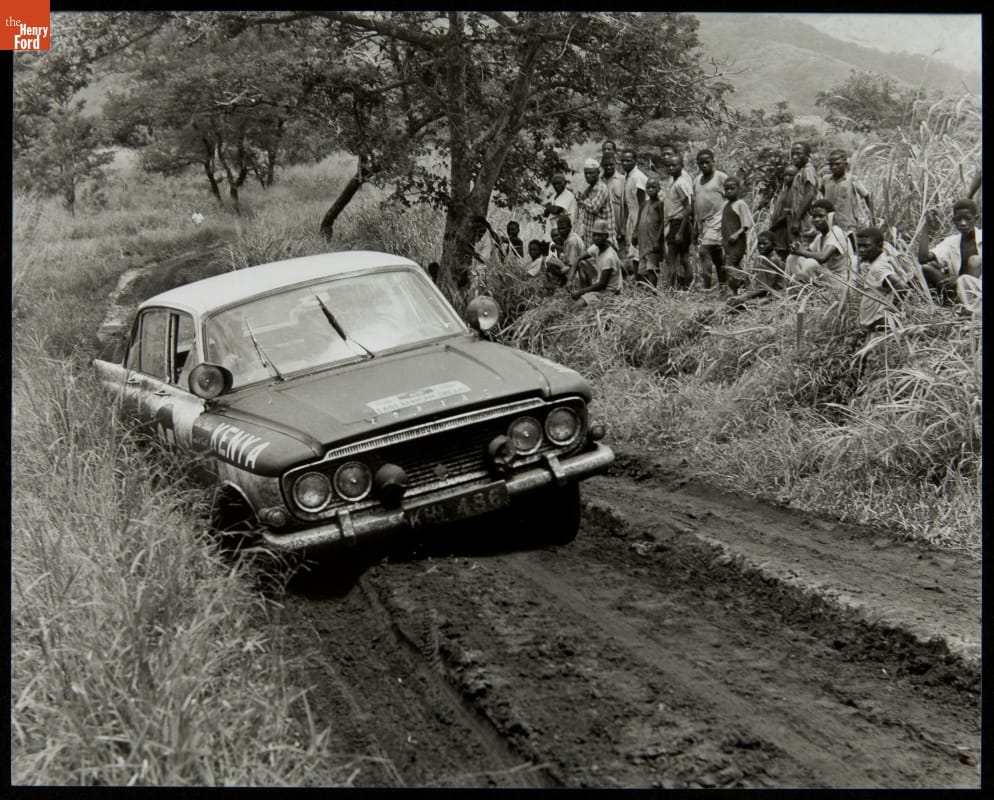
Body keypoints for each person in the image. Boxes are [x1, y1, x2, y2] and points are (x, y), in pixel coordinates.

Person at [918, 198, 982, 303]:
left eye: (967, 219)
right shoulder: (951, 242)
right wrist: (926, 227)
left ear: (976, 219)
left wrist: (959, 278)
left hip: (978, 289)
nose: (963, 223)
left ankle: (970, 302)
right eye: (959, 219)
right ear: (954, 221)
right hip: (957, 290)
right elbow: (923, 258)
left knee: (975, 260)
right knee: (926, 268)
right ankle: (954, 299)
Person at [786, 199, 852, 285]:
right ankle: (793, 286)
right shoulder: (819, 237)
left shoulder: (837, 232)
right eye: (814, 216)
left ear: (830, 216)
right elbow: (807, 252)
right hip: (826, 277)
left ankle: (812, 290)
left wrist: (801, 251)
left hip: (840, 281)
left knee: (810, 263)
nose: (816, 220)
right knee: (792, 258)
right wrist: (796, 249)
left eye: (821, 216)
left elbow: (822, 257)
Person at [856, 226, 904, 334]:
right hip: (874, 323)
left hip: (878, 323)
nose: (861, 250)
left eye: (866, 246)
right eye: (859, 246)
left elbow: (902, 287)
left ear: (880, 246)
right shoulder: (872, 263)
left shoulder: (878, 267)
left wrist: (892, 312)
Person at [693, 148, 729, 291]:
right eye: (701, 163)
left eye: (707, 162)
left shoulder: (721, 177)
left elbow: (731, 197)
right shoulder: (697, 180)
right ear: (697, 164)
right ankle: (723, 285)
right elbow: (696, 204)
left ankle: (706, 287)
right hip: (705, 224)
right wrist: (696, 226)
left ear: (713, 162)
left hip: (718, 222)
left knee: (703, 252)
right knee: (717, 257)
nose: (704, 166)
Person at [820, 149, 874, 241]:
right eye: (831, 165)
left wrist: (872, 217)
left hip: (847, 225)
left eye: (837, 164)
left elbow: (867, 196)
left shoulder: (852, 180)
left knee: (849, 248)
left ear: (845, 164)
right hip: (829, 223)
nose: (834, 167)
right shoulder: (826, 180)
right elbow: (823, 193)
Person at [727, 230, 785, 308]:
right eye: (759, 244)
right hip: (768, 293)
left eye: (765, 244)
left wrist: (744, 297)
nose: (761, 246)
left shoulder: (773, 260)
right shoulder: (765, 259)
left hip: (776, 294)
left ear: (774, 245)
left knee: (742, 304)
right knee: (736, 302)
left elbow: (766, 288)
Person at [661, 152, 694, 289]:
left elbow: (688, 208)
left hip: (679, 223)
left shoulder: (681, 183)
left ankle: (672, 287)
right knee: (681, 257)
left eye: (674, 165)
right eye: (668, 165)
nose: (670, 168)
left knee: (673, 257)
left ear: (681, 166)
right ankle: (683, 286)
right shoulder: (673, 182)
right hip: (676, 222)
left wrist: (680, 231)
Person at [571, 219, 623, 307]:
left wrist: (580, 292)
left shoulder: (609, 257)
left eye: (600, 235)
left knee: (575, 307)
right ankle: (585, 293)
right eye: (594, 235)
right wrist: (570, 279)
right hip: (599, 282)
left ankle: (584, 295)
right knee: (582, 263)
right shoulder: (596, 247)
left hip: (609, 292)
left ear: (606, 236)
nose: (596, 238)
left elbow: (602, 285)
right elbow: (578, 258)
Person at [720, 177, 754, 295]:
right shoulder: (725, 205)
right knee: (733, 266)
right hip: (727, 242)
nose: (729, 191)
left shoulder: (741, 204)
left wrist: (736, 234)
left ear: (739, 189)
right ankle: (741, 289)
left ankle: (745, 283)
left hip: (737, 242)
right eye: (726, 189)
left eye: (732, 188)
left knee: (730, 266)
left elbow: (747, 224)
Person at [619, 148, 648, 276]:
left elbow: (643, 203)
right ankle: (637, 279)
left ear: (635, 161)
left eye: (628, 160)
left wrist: (637, 227)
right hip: (632, 216)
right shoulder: (628, 176)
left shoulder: (638, 177)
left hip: (641, 217)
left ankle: (643, 280)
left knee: (640, 250)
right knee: (633, 251)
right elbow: (627, 203)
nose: (625, 163)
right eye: (623, 161)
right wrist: (625, 224)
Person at [632, 175, 665, 287]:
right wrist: (635, 233)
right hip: (643, 241)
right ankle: (646, 289)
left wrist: (657, 240)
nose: (650, 189)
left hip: (653, 241)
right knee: (643, 267)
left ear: (658, 189)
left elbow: (662, 223)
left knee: (652, 267)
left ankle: (653, 290)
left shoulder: (659, 205)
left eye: (653, 187)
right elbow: (638, 220)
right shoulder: (644, 204)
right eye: (648, 187)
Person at [575, 157, 612, 247]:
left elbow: (594, 208)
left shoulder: (602, 188)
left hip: (602, 236)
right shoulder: (589, 188)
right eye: (586, 173)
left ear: (598, 173)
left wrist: (583, 200)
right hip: (592, 235)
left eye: (591, 173)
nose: (588, 176)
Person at [785, 142, 819, 239]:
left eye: (799, 153)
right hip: (801, 220)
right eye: (793, 154)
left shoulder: (808, 170)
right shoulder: (801, 171)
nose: (795, 157)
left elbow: (810, 194)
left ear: (808, 155)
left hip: (806, 220)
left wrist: (797, 219)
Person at [545, 214, 587, 288]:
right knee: (550, 261)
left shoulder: (571, 241)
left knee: (551, 267)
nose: (561, 231)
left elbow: (572, 266)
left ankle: (559, 286)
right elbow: (566, 251)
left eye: (563, 228)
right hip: (573, 267)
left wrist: (560, 272)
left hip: (577, 272)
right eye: (559, 229)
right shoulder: (568, 237)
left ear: (570, 227)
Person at [769, 163, 798, 262]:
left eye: (790, 175)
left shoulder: (794, 192)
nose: (787, 177)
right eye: (785, 175)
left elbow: (787, 215)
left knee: (783, 256)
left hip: (785, 229)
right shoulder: (784, 191)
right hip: (778, 230)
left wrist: (772, 228)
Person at [601, 153, 627, 256]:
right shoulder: (599, 181)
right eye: (606, 165)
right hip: (603, 229)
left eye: (611, 164)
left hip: (618, 228)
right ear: (602, 165)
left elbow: (626, 206)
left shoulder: (622, 180)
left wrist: (624, 227)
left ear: (616, 164)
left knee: (620, 260)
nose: (609, 167)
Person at [542, 173, 577, 242]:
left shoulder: (567, 195)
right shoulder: (554, 195)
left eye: (559, 183)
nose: (557, 185)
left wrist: (549, 207)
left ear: (565, 183)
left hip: (562, 231)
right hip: (552, 230)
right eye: (554, 183)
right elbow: (545, 213)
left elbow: (556, 210)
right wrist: (549, 208)